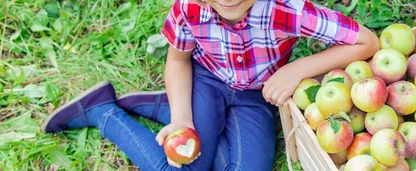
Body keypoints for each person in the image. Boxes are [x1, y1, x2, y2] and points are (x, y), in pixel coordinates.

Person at [41, 0, 379, 170]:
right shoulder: (188, 8)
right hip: (207, 81)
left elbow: (367, 42)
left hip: (254, 97)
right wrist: (182, 120)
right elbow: (177, 60)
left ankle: (161, 104)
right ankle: (104, 113)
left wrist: (299, 68)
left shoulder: (285, 9)